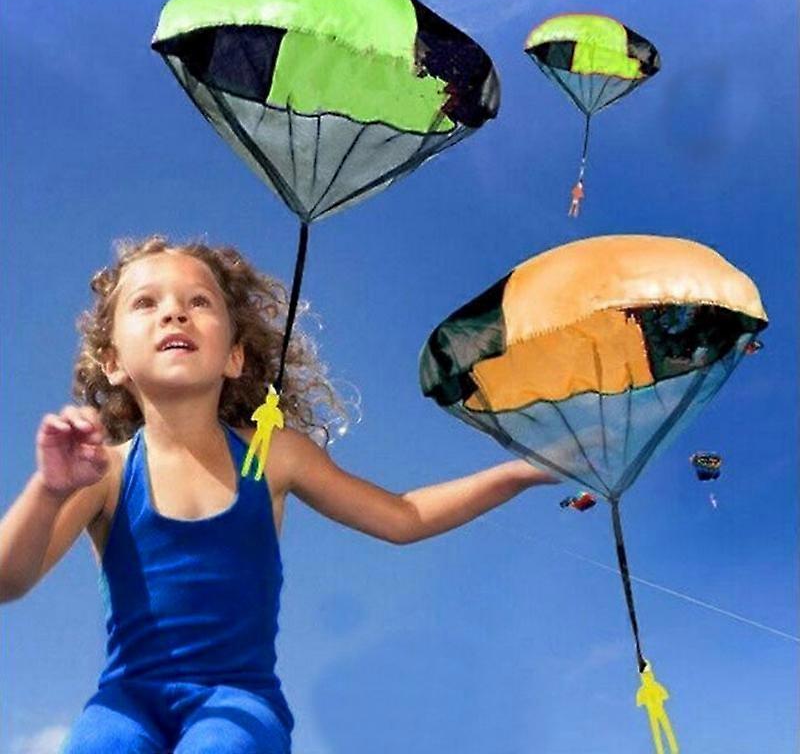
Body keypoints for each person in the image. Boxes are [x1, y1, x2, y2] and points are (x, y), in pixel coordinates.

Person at [0, 236, 558, 754]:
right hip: (126, 701)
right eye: (146, 303)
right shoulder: (104, 473)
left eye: (199, 301)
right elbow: (8, 582)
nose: (175, 313)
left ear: (234, 356)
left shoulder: (274, 456)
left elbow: (404, 516)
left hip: (239, 699)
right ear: (113, 362)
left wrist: (520, 472)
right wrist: (48, 491)